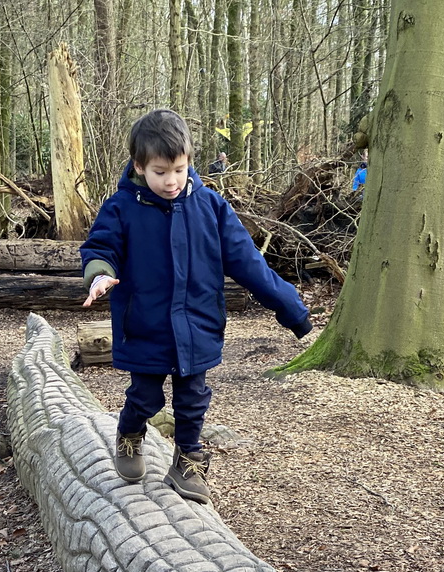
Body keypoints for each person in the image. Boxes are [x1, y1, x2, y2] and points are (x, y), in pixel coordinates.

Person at [80, 108, 312, 505]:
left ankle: (188, 460)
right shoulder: (120, 208)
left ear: (189, 162)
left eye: (179, 170)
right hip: (145, 324)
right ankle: (130, 433)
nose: (170, 181)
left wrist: (291, 307)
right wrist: (100, 274)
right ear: (139, 166)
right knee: (146, 397)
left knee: (193, 398)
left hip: (199, 324)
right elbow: (100, 248)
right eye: (159, 172)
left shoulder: (211, 207)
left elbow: (248, 261)